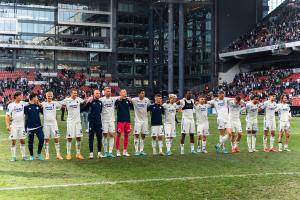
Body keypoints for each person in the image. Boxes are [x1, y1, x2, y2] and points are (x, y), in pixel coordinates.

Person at [61, 89, 85, 160]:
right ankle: (68, 154)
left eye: (76, 93)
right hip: (70, 122)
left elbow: (85, 102)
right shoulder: (67, 100)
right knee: (69, 138)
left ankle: (78, 153)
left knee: (78, 137)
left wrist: (89, 98)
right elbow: (59, 103)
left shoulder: (79, 99)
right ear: (71, 93)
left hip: (78, 122)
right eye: (74, 93)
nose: (75, 94)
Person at [5, 91, 28, 161]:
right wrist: (8, 125)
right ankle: (13, 156)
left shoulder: (23, 103)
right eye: (20, 96)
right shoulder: (11, 105)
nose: (21, 97)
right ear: (16, 97)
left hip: (22, 126)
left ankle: (24, 156)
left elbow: (31, 102)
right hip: (14, 126)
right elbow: (7, 116)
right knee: (13, 141)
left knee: (22, 140)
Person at [82, 89, 105, 159]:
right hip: (91, 122)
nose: (98, 94)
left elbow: (100, 111)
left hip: (99, 123)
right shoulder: (90, 102)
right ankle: (91, 154)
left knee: (99, 138)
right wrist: (87, 102)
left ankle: (99, 153)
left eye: (99, 93)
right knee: (91, 138)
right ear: (93, 94)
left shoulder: (101, 102)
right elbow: (84, 108)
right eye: (96, 93)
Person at [41, 91, 63, 160]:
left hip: (54, 124)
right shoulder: (43, 104)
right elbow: (38, 104)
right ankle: (47, 155)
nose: (49, 97)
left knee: (56, 138)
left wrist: (58, 101)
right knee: (46, 139)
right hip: (46, 124)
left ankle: (58, 154)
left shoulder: (55, 103)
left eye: (51, 96)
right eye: (48, 96)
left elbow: (62, 105)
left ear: (52, 96)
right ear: (46, 96)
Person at [24, 93, 44, 161]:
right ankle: (31, 155)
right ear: (33, 98)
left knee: (42, 139)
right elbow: (23, 116)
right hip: (30, 127)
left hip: (38, 126)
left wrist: (41, 106)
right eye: (36, 97)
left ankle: (38, 154)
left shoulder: (37, 105)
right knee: (30, 142)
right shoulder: (26, 107)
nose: (37, 98)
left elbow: (43, 113)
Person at [100, 87, 119, 157]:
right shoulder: (101, 99)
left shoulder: (113, 99)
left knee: (111, 135)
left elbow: (120, 96)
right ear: (104, 92)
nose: (109, 92)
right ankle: (105, 152)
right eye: (107, 91)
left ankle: (110, 152)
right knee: (104, 135)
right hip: (104, 120)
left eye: (110, 91)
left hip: (112, 120)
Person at [131, 89, 151, 156]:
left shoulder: (147, 100)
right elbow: (128, 99)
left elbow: (149, 107)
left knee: (143, 135)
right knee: (136, 135)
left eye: (144, 93)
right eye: (142, 93)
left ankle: (141, 150)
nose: (143, 94)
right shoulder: (134, 100)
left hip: (145, 121)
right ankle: (136, 151)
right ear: (138, 94)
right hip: (137, 121)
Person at [178, 90, 196, 155]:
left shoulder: (192, 101)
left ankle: (192, 149)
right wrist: (179, 107)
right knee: (184, 134)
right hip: (185, 119)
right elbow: (176, 104)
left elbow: (195, 106)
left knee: (192, 134)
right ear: (186, 94)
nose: (190, 94)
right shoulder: (183, 101)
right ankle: (182, 150)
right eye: (189, 93)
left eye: (191, 93)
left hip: (192, 119)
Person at [115, 89, 132, 157]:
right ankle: (117, 151)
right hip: (120, 120)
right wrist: (118, 98)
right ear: (120, 93)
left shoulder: (128, 101)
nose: (125, 93)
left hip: (127, 120)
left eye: (125, 91)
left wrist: (130, 100)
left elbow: (132, 106)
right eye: (123, 92)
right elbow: (114, 104)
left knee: (126, 135)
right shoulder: (118, 101)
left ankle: (125, 151)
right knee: (118, 135)